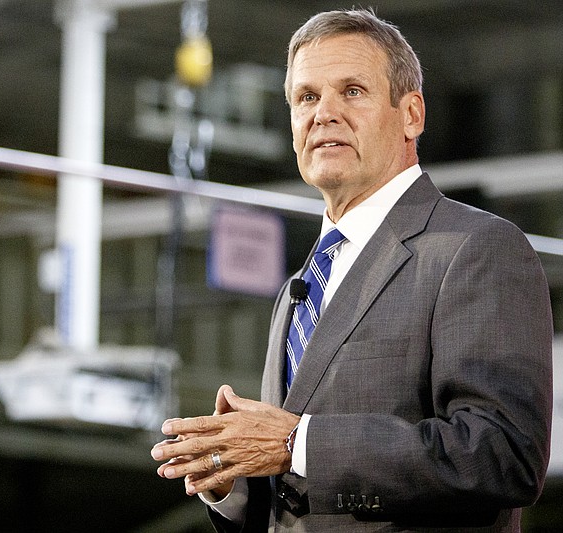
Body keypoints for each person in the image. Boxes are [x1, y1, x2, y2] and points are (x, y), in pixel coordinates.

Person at [151, 8, 554, 532]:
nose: (324, 114)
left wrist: (296, 442)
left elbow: (502, 453)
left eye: (353, 91)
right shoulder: (302, 285)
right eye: (307, 97)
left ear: (411, 114)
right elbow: (294, 488)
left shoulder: (475, 249)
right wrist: (232, 481)